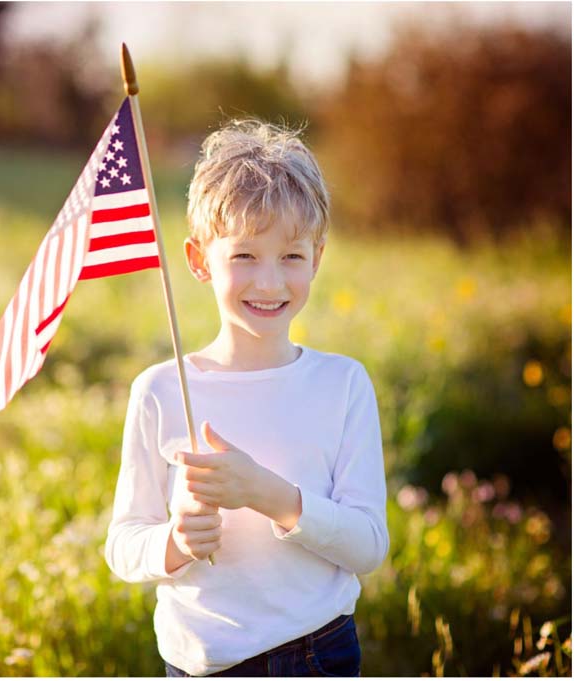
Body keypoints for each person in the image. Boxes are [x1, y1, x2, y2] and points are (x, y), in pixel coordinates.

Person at [104, 120, 389, 677]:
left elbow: (369, 546)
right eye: (243, 256)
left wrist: (267, 493)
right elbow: (123, 543)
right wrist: (176, 541)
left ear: (318, 258)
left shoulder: (343, 385)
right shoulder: (162, 391)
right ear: (197, 259)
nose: (269, 282)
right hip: (200, 661)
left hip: (317, 652)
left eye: (291, 257)